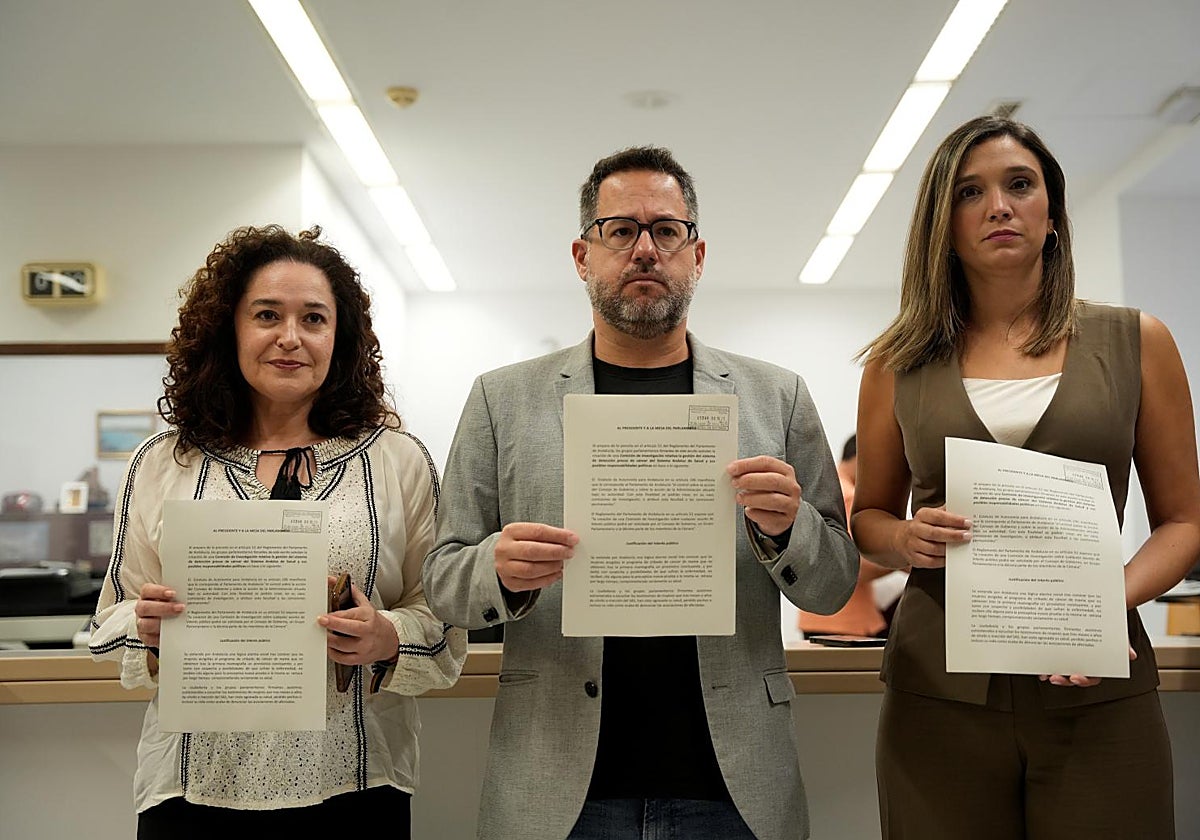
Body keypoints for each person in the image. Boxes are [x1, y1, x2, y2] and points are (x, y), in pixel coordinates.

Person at [423, 146, 859, 840]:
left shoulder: (778, 397)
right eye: (620, 231)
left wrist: (789, 528)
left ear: (698, 253)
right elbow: (443, 578)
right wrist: (496, 572)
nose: (645, 249)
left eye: (667, 230)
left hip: (735, 788)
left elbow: (835, 586)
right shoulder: (501, 400)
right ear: (582, 255)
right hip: (556, 788)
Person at [852, 116, 1200, 839]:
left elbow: (1185, 523)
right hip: (938, 693)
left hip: (1097, 687)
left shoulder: (1138, 341)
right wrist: (906, 537)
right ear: (941, 225)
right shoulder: (897, 359)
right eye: (970, 192)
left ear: (1053, 211)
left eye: (1020, 185)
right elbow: (870, 518)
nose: (999, 206)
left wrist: (1106, 602)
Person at [88, 225, 466, 838]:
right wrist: (147, 627)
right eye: (267, 314)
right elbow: (110, 620)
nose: (290, 338)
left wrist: (386, 635)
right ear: (229, 329)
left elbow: (442, 617)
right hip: (193, 788)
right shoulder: (164, 462)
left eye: (314, 318)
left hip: (355, 787)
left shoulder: (397, 460)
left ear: (338, 337)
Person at [798, 434, 905, 638]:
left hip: (818, 613)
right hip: (846, 621)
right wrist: (904, 558)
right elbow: (854, 567)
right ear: (864, 458)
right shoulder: (847, 497)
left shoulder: (825, 489)